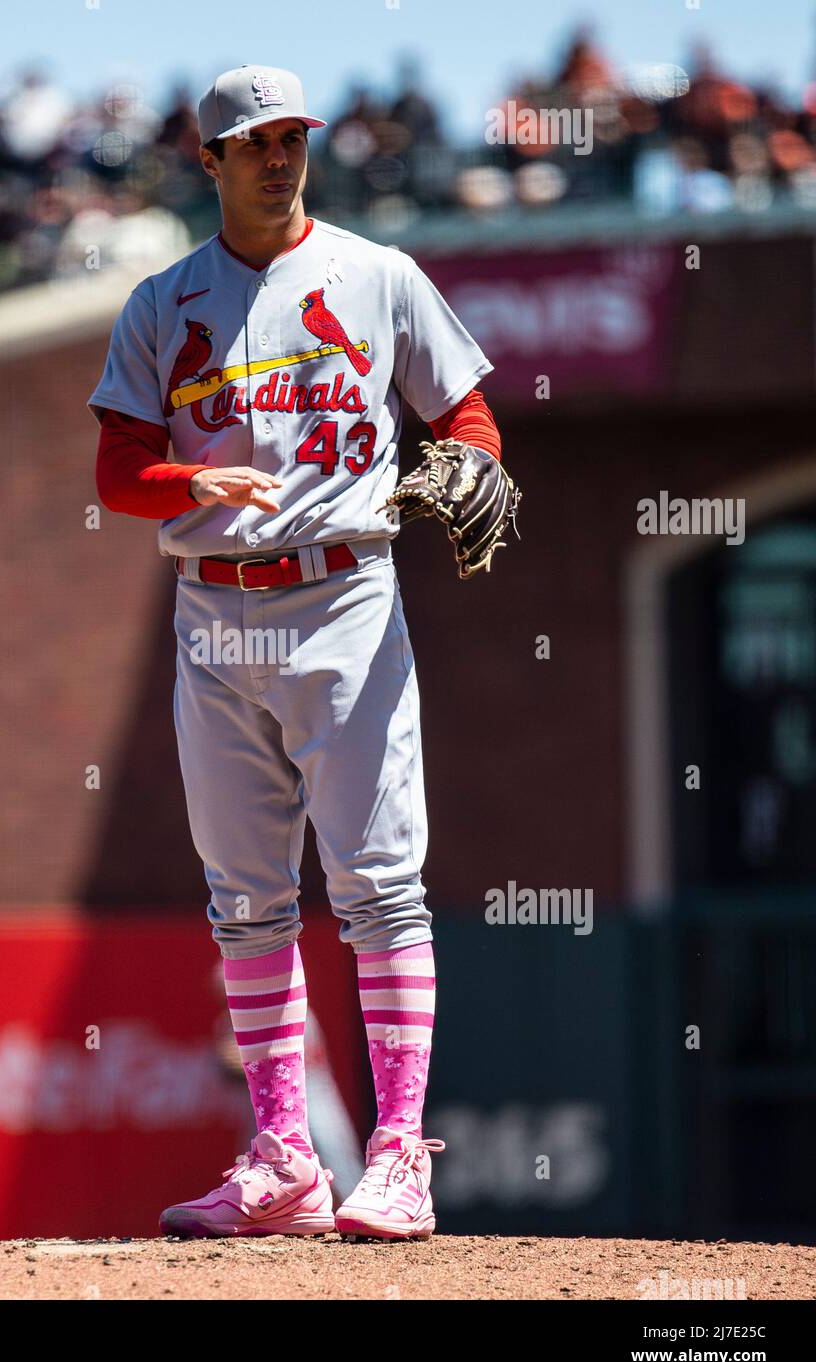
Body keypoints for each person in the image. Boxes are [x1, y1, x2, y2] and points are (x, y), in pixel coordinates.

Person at [88, 63, 503, 1240]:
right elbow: (117, 471)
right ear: (208, 160)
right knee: (245, 900)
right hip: (208, 610)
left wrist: (473, 455)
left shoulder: (380, 276)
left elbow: (464, 410)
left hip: (343, 598)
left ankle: (398, 1158)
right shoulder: (165, 301)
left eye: (291, 137)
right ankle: (281, 1157)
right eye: (252, 141)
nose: (278, 155)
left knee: (378, 884)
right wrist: (183, 477)